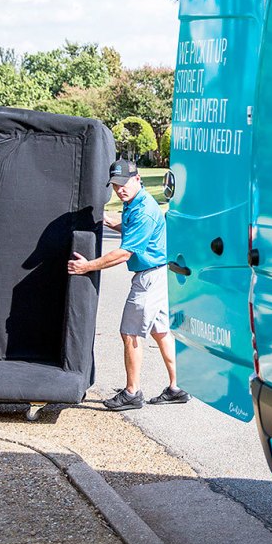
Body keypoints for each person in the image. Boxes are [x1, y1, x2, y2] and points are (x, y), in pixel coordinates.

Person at [67, 158, 189, 411]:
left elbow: (124, 253)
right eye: (115, 184)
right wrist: (109, 221)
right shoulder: (134, 202)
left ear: (137, 179)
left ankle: (132, 393)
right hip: (157, 275)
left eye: (124, 183)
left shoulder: (144, 210)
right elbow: (132, 230)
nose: (120, 189)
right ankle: (177, 387)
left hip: (148, 279)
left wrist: (87, 266)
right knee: (161, 332)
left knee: (130, 333)